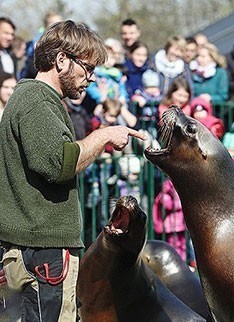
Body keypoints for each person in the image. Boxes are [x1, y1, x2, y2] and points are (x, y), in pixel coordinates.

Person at [0, 20, 146, 322]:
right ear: (61, 60)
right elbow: (60, 164)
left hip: (33, 251)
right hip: (40, 253)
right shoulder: (35, 100)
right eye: (88, 68)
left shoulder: (35, 99)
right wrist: (103, 135)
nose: (91, 79)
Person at [86, 41, 129, 115]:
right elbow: (90, 87)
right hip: (101, 101)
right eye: (107, 58)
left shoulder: (117, 73)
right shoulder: (96, 72)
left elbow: (121, 86)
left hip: (114, 101)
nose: (109, 61)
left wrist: (123, 96)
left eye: (112, 58)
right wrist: (99, 97)